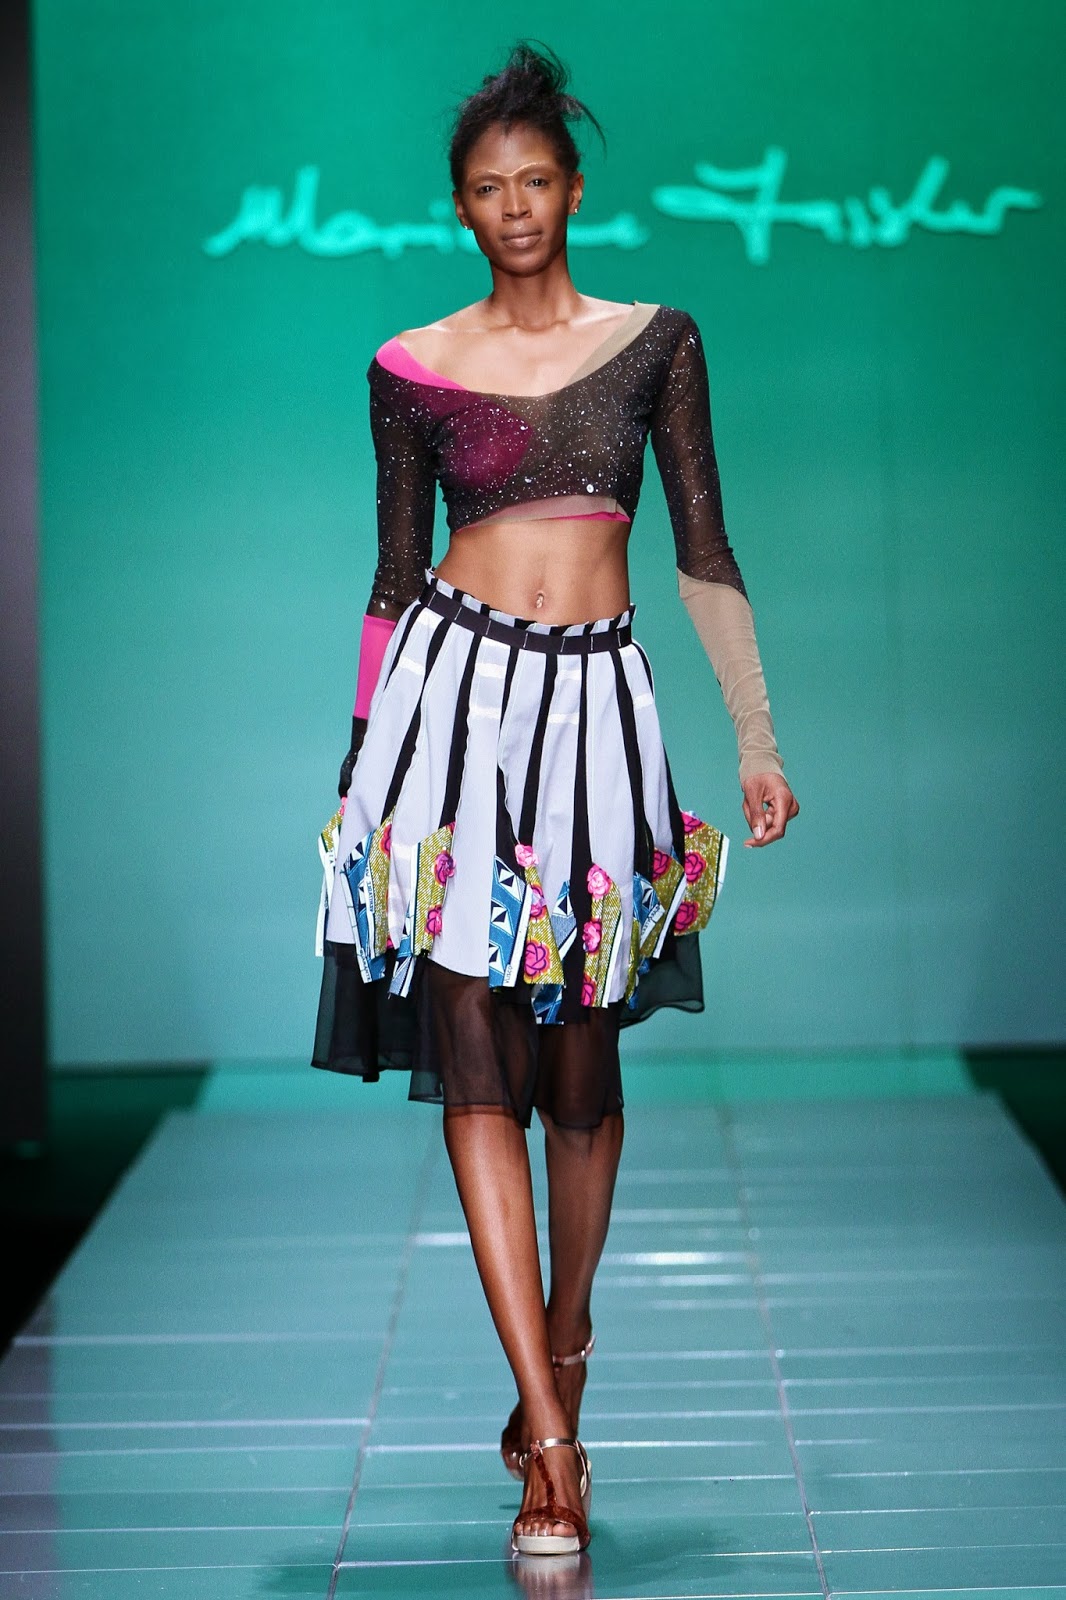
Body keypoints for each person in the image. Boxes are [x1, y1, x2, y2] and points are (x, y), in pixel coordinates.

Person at [312, 40, 799, 1559]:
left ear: (574, 191)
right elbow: (394, 578)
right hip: (448, 713)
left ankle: (563, 1351)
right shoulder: (410, 366)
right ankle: (553, 1442)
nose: (514, 205)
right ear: (459, 208)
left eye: (535, 180)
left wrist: (755, 736)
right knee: (473, 1052)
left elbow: (702, 550)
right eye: (486, 187)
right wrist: (362, 766)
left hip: (596, 715)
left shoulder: (657, 342)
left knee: (581, 1076)